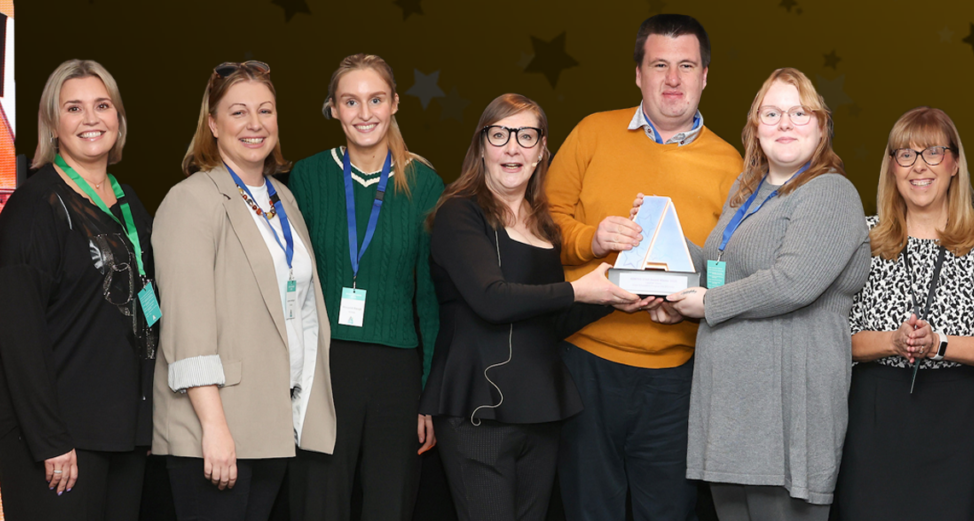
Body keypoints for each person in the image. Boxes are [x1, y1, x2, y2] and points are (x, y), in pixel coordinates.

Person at [545, 13, 743, 520]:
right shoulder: (592, 133)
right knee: (590, 510)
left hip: (677, 379)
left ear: (705, 76)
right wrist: (593, 239)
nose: (672, 79)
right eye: (659, 64)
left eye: (685, 65)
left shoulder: (733, 166)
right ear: (638, 73)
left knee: (669, 512)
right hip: (584, 362)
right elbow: (540, 229)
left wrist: (697, 306)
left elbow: (731, 268)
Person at [651, 67, 870, 520]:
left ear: (821, 125)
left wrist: (707, 305)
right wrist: (663, 235)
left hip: (785, 415)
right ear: (754, 127)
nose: (785, 123)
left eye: (798, 112)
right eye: (772, 113)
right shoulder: (745, 190)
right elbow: (721, 271)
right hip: (729, 411)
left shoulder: (830, 192)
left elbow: (794, 282)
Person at [420, 94, 647, 521]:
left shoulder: (544, 223)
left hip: (540, 408)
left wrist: (619, 294)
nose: (512, 147)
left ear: (543, 150)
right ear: (481, 145)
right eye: (500, 134)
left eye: (526, 136)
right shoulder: (459, 214)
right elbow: (492, 299)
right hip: (478, 409)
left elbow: (552, 320)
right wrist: (580, 290)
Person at [151, 61, 337, 521]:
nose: (255, 125)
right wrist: (214, 428)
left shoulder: (282, 198)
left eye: (265, 111)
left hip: (270, 425)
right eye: (238, 113)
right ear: (212, 124)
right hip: (216, 431)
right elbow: (187, 331)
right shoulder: (191, 199)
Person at [0, 59, 156, 520]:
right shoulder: (33, 211)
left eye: (102, 105)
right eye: (74, 108)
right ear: (52, 124)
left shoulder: (127, 201)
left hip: (122, 432)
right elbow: (18, 340)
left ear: (118, 119)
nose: (91, 119)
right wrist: (51, 440)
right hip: (61, 441)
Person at [286, 53, 444, 521]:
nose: (364, 113)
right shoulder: (308, 177)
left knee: (390, 503)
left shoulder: (424, 182)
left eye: (376, 99)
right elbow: (290, 284)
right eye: (350, 101)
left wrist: (429, 394)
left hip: (397, 370)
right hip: (323, 365)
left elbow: (432, 299)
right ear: (333, 109)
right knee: (319, 500)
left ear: (395, 103)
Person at [833, 107, 974, 521]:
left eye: (933, 152)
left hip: (959, 421)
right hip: (877, 417)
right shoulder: (864, 237)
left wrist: (937, 344)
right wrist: (893, 340)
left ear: (955, 162)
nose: (919, 166)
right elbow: (841, 337)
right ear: (892, 168)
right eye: (905, 155)